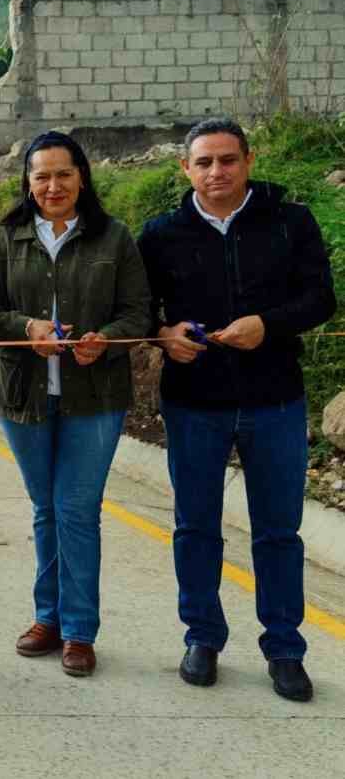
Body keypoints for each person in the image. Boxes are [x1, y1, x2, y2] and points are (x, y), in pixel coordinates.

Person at [137, 117, 336, 703]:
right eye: (203, 162)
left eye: (227, 160)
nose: (215, 172)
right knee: (195, 527)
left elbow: (321, 297)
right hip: (194, 404)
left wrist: (267, 326)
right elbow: (137, 310)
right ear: (186, 169)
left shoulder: (290, 222)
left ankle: (284, 648)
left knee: (278, 532)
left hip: (275, 400)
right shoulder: (160, 234)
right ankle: (202, 636)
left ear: (249, 160)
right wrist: (163, 334)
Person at [0, 131, 152, 678]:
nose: (53, 185)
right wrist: (26, 328)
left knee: (76, 510)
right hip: (23, 396)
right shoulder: (5, 239)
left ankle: (78, 631)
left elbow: (139, 313)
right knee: (46, 508)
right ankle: (46, 618)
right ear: (27, 183)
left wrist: (105, 337)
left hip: (93, 399)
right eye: (41, 176)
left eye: (63, 174)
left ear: (82, 177)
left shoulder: (113, 238)